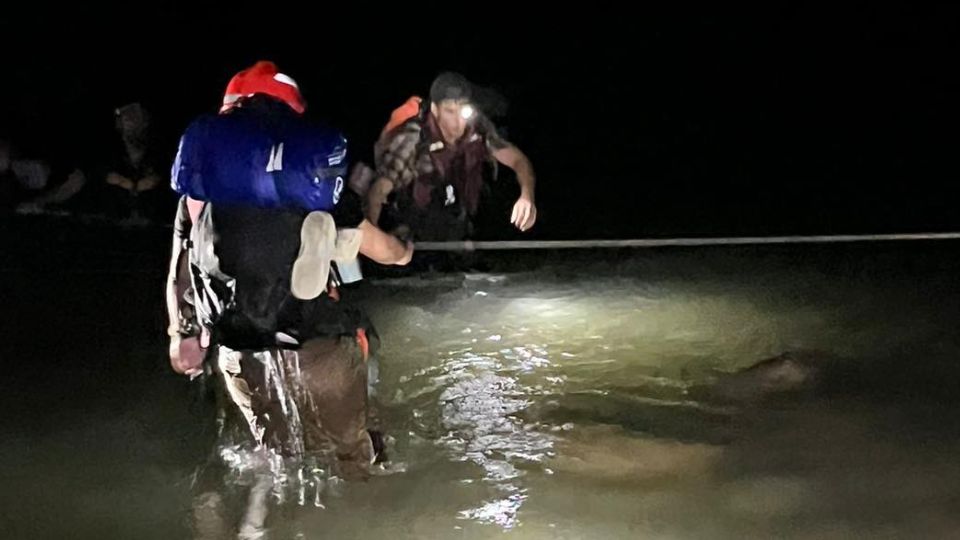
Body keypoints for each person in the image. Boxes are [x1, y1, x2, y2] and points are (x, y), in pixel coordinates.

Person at [165, 60, 413, 537]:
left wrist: (182, 333)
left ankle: (272, 523)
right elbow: (384, 250)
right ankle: (371, 520)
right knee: (356, 457)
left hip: (239, 347)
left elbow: (180, 263)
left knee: (278, 458)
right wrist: (404, 250)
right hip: (317, 345)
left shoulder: (201, 183)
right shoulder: (307, 169)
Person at [365, 72, 538, 242]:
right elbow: (377, 192)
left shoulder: (476, 127)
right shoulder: (413, 137)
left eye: (463, 111)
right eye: (449, 111)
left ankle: (464, 242)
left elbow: (517, 159)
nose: (457, 122)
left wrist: (526, 196)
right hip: (411, 217)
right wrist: (374, 244)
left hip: (455, 210)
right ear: (435, 109)